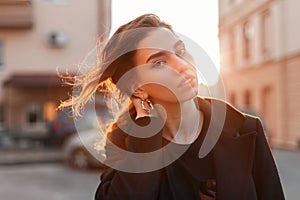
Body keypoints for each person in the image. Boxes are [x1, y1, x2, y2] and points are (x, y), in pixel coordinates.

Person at [59, 14, 285, 200]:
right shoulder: (122, 142)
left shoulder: (246, 129)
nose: (182, 65)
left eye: (181, 51)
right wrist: (144, 133)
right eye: (159, 62)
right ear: (137, 87)